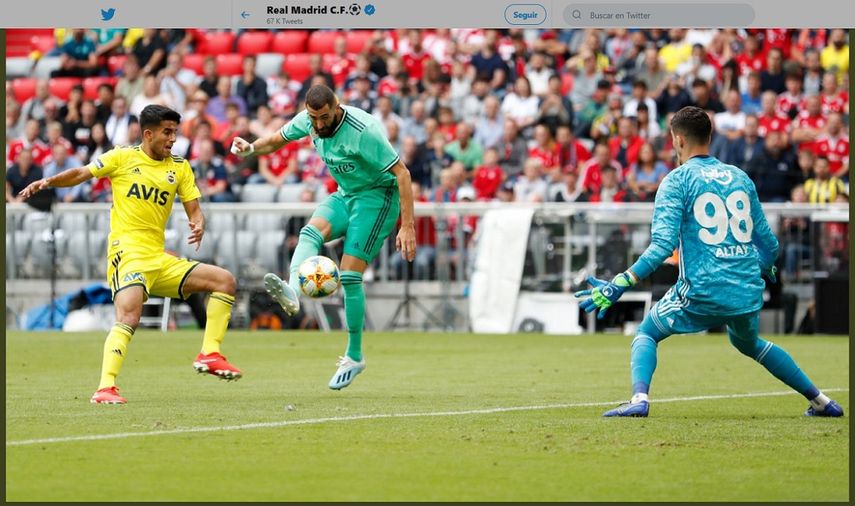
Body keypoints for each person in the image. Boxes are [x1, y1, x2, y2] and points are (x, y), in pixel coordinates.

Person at [575, 106, 844, 418]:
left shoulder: (677, 181)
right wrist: (762, 266)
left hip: (700, 289)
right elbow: (769, 244)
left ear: (677, 140)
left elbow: (663, 245)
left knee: (647, 332)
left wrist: (620, 283)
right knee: (750, 343)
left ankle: (639, 399)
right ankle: (822, 401)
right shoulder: (739, 177)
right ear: (710, 138)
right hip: (744, 290)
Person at [19, 105, 241, 404]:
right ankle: (105, 387)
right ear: (148, 134)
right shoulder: (121, 157)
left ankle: (210, 354)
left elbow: (195, 211)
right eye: (167, 132)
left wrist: (198, 225)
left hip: (159, 258)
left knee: (224, 281)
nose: (173, 138)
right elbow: (82, 173)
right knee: (130, 314)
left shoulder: (179, 167)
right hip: (128, 254)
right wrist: (49, 181)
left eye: (175, 132)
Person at [230, 85, 417, 390]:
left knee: (350, 276)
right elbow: (277, 140)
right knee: (310, 232)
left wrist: (406, 225)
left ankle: (354, 356)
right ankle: (292, 290)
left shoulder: (363, 130)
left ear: (336, 106)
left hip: (377, 198)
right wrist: (251, 148)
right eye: (314, 118)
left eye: (324, 117)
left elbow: (402, 173)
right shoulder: (308, 119)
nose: (318, 125)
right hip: (346, 195)